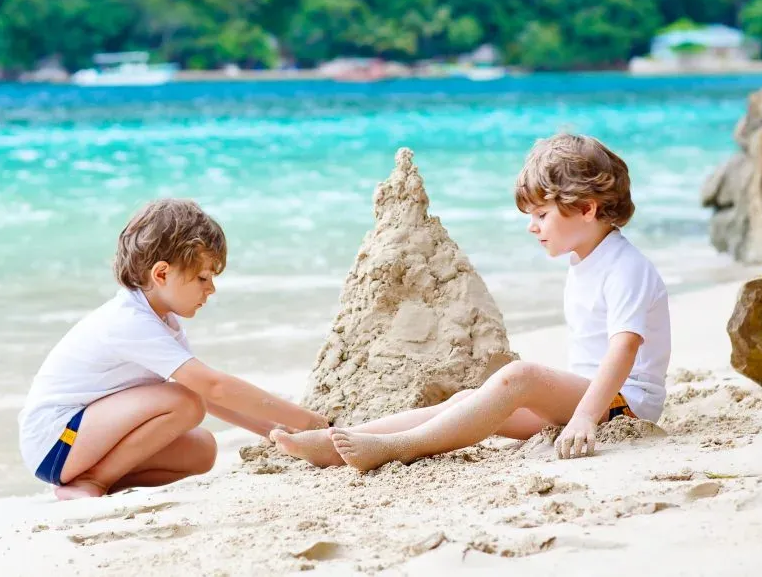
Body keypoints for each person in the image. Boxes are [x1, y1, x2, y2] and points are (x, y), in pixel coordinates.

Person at [272, 133, 671, 470]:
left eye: (542, 214)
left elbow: (625, 346)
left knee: (522, 376)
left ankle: (399, 447)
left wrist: (584, 415)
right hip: (591, 402)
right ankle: (342, 442)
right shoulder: (586, 262)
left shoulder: (625, 267)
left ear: (587, 208)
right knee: (470, 401)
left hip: (622, 406)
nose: (532, 226)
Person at [18, 198, 328, 500]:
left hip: (82, 439)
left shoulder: (161, 320)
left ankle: (97, 478)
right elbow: (213, 387)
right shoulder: (129, 320)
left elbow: (207, 393)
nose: (211, 288)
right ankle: (92, 480)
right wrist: (312, 422)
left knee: (202, 451)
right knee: (185, 401)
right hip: (57, 441)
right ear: (162, 274)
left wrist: (276, 431)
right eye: (202, 277)